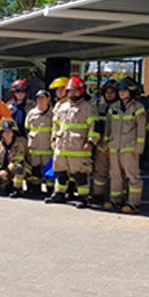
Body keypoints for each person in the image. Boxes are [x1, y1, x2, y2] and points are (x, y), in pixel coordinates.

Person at [45, 77, 99, 207]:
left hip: (79, 148)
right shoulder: (62, 107)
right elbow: (56, 124)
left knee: (80, 175)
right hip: (62, 146)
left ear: (81, 91)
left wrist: (91, 142)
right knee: (60, 172)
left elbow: (95, 127)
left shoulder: (88, 108)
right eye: (70, 91)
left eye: (75, 91)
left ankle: (82, 197)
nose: (72, 94)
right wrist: (53, 138)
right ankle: (59, 194)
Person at [105, 81, 146, 214]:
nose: (121, 93)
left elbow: (141, 130)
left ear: (131, 92)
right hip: (114, 147)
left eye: (124, 90)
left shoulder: (138, 108)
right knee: (115, 174)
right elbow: (108, 127)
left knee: (133, 176)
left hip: (130, 147)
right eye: (120, 90)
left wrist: (139, 148)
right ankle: (115, 200)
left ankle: (133, 203)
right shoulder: (114, 107)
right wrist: (107, 142)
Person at [91, 80, 118, 204]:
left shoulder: (121, 108)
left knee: (116, 173)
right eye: (107, 92)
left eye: (112, 92)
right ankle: (98, 195)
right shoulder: (99, 107)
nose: (109, 95)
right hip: (101, 145)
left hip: (116, 145)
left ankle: (116, 198)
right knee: (99, 172)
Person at [25, 89, 54, 196]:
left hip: (48, 147)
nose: (40, 100)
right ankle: (36, 189)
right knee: (35, 169)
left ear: (48, 99)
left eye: (43, 98)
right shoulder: (31, 113)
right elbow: (27, 128)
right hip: (35, 147)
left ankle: (50, 190)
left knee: (49, 170)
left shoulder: (53, 114)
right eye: (38, 98)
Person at [0, 119, 29, 198]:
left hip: (13, 170)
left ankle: (17, 189)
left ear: (13, 133)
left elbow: (18, 159)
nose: (7, 134)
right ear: (2, 133)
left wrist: (7, 171)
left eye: (9, 132)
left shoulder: (19, 145)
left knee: (19, 168)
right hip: (2, 170)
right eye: (5, 132)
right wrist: (0, 171)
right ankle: (6, 185)